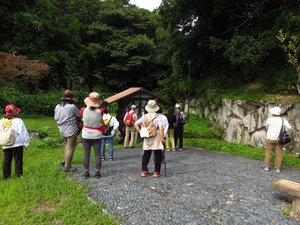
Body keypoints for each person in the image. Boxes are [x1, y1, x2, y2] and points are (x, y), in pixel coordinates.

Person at [134, 100, 165, 178]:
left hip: (147, 136)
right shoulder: (158, 117)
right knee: (158, 154)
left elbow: (136, 124)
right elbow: (161, 128)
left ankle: (144, 170)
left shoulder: (144, 116)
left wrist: (141, 132)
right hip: (156, 135)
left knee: (146, 154)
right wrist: (162, 138)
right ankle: (156, 172)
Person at [0, 104, 30, 180]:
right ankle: (18, 176)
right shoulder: (18, 121)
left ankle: (5, 177)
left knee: (6, 160)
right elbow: (23, 133)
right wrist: (26, 143)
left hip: (5, 143)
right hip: (17, 144)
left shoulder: (1, 121)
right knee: (18, 160)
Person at [54, 90, 81, 172]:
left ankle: (64, 160)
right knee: (71, 147)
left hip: (61, 129)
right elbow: (80, 115)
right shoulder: (72, 107)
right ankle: (68, 166)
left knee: (67, 145)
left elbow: (55, 118)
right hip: (71, 129)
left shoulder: (57, 106)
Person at [81, 92, 104, 179]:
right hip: (97, 134)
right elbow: (101, 121)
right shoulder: (100, 111)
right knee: (97, 154)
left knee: (86, 154)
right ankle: (97, 172)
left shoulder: (83, 110)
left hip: (86, 134)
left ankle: (86, 172)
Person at [264, 106, 291, 172]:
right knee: (279, 153)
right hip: (279, 138)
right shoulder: (282, 120)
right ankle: (277, 168)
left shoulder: (269, 119)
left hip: (270, 138)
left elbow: (266, 127)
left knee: (268, 153)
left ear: (272, 113)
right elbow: (289, 127)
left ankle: (267, 167)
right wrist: (285, 130)